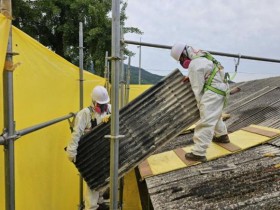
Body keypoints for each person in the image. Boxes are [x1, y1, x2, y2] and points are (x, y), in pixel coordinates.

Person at [171, 43, 230, 162]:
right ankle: (222, 136)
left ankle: (198, 152)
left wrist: (201, 106)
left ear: (184, 54)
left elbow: (197, 90)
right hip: (222, 89)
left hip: (213, 92)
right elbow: (205, 72)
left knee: (206, 120)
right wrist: (191, 76)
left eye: (181, 59)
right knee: (215, 114)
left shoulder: (194, 64)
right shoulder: (204, 56)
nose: (183, 62)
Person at [66, 85, 111, 210]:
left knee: (104, 178)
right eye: (100, 105)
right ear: (93, 101)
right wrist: (71, 151)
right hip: (90, 153)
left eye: (104, 104)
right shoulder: (85, 114)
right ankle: (91, 207)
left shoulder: (110, 110)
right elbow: (76, 134)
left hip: (104, 151)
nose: (102, 108)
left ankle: (100, 201)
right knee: (93, 182)